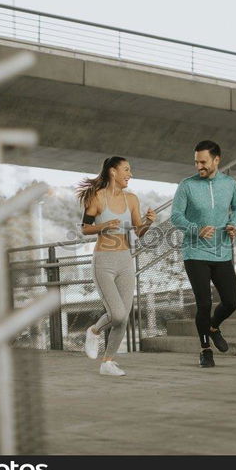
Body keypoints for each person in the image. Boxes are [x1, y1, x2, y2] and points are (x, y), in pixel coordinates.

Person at [76, 157, 156, 376]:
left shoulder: (132, 199)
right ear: (113, 172)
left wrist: (148, 222)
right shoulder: (97, 197)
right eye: (126, 170)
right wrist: (103, 226)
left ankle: (107, 362)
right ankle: (93, 331)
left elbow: (138, 232)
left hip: (124, 261)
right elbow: (84, 228)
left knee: (124, 316)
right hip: (104, 262)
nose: (130, 174)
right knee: (117, 314)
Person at [171, 140, 236, 368]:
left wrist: (233, 223)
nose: (198, 166)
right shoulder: (187, 185)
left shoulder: (230, 183)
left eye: (203, 162)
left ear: (216, 160)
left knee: (231, 302)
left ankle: (212, 327)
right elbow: (176, 216)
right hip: (195, 253)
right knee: (204, 303)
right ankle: (205, 350)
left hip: (221, 252)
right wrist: (195, 229)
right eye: (196, 162)